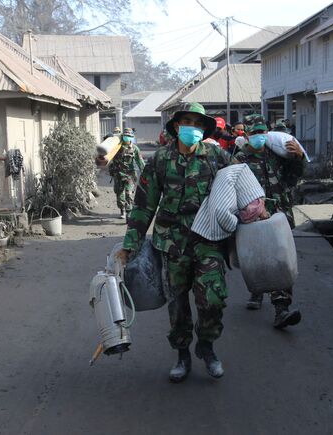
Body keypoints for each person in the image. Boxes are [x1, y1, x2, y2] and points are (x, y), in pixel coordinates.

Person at [115, 102, 230, 383]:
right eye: (187, 122)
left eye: (198, 123)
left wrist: (258, 210)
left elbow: (239, 185)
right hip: (172, 243)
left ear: (204, 129)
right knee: (177, 305)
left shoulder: (217, 156)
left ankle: (207, 346)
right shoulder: (160, 160)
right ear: (177, 126)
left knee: (213, 299)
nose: (193, 128)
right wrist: (129, 246)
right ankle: (182, 354)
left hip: (208, 239)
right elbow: (143, 205)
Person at [232, 114, 304, 329]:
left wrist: (299, 158)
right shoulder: (240, 158)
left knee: (280, 260)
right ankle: (257, 290)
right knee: (257, 257)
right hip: (252, 219)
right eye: (254, 133)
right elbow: (232, 187)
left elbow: (293, 178)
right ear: (246, 135)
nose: (259, 136)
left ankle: (281, 309)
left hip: (279, 215)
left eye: (262, 132)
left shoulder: (277, 154)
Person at [109, 128, 145, 219]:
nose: (128, 138)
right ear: (123, 137)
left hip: (130, 175)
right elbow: (108, 157)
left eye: (130, 137)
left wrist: (145, 173)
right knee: (120, 194)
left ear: (132, 137)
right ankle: (122, 210)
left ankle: (129, 212)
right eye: (126, 136)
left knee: (129, 194)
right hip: (118, 175)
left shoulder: (135, 149)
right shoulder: (117, 147)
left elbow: (140, 161)